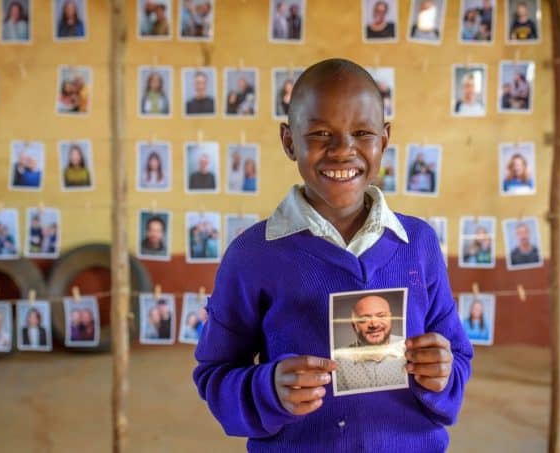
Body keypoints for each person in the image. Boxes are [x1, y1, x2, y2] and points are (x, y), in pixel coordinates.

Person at [193, 58, 473, 451]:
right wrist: (268, 389)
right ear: (289, 141)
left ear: (385, 140)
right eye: (321, 133)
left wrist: (443, 373)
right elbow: (215, 374)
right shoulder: (252, 256)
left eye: (362, 133)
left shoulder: (419, 244)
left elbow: (457, 356)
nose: (343, 150)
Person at [335, 295, 407, 391]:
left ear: (391, 319)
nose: (375, 325)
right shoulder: (338, 362)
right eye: (364, 319)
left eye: (381, 316)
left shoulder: (409, 349)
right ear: (354, 326)